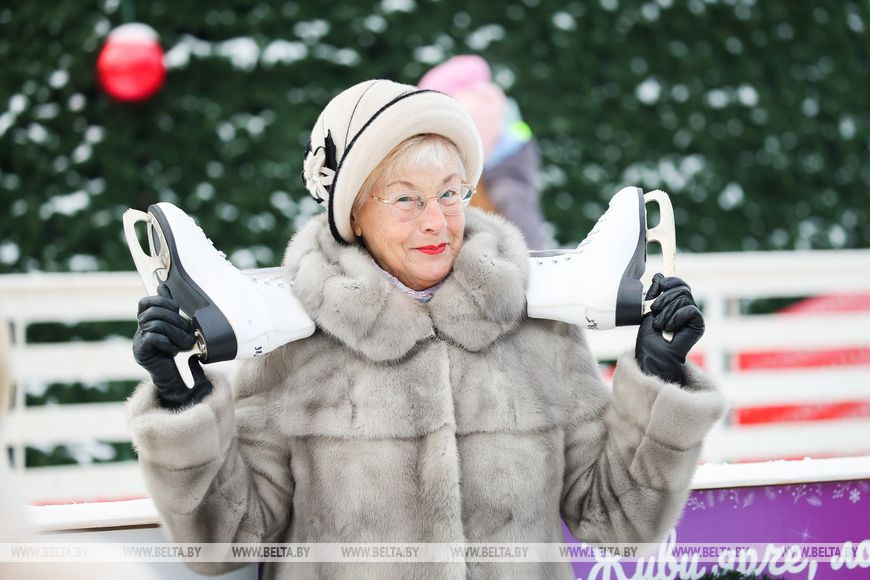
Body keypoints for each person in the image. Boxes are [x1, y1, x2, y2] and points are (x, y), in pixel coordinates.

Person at [127, 79, 727, 579]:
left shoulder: (538, 329)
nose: (437, 221)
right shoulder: (293, 341)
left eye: (449, 193)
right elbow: (228, 539)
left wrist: (656, 373)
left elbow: (620, 522)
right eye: (406, 200)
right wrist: (185, 403)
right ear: (353, 212)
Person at [419, 55, 556, 249]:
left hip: (509, 158)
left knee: (511, 197)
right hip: (505, 155)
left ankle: (533, 251)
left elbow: (474, 142)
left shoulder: (474, 103)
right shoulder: (479, 98)